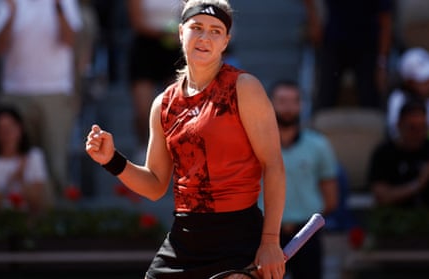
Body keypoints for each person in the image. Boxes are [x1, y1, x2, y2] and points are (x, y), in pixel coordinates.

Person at [85, 0, 286, 278]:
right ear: (181, 33)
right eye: (197, 28)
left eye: (216, 31)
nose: (205, 37)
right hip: (185, 238)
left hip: (238, 237)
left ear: (226, 41)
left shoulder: (244, 88)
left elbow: (274, 165)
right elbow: (156, 185)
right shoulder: (163, 104)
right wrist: (112, 161)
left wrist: (270, 242)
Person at [0, 0, 83, 196]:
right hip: (15, 93)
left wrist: (58, 8)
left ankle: (58, 220)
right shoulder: (7, 3)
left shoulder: (65, 2)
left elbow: (69, 40)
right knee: (13, 162)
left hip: (55, 92)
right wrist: (11, 14)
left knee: (55, 164)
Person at [266, 80, 338, 279]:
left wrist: (307, 225)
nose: (288, 107)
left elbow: (331, 197)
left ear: (301, 105)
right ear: (270, 104)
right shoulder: (256, 145)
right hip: (264, 237)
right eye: (282, 101)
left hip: (306, 236)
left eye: (293, 101)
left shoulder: (319, 145)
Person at [303, 0, 393, 110]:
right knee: (325, 97)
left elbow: (386, 21)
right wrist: (314, 21)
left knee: (370, 99)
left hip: (367, 47)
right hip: (333, 43)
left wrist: (382, 63)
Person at [368, 100, 429, 208]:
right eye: (412, 127)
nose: (418, 133)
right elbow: (382, 197)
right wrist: (419, 183)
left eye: (422, 127)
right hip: (395, 217)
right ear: (399, 125)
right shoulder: (384, 153)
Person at [127, 0, 182, 162]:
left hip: (174, 50)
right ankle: (143, 147)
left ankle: (175, 151)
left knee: (176, 108)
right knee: (143, 110)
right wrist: (165, 34)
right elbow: (137, 22)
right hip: (145, 50)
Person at [0, 105, 51, 213]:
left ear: (20, 128)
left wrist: (21, 179)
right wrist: (13, 178)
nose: (6, 133)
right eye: (1, 128)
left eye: (10, 127)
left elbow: (39, 203)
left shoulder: (34, 156)